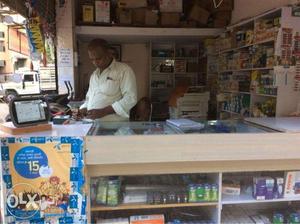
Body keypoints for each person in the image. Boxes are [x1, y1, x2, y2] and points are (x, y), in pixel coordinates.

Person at [78, 38, 137, 121]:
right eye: (92, 59)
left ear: (109, 53)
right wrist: (83, 108)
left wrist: (104, 111)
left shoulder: (124, 70)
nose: (95, 62)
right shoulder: (94, 75)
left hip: (114, 128)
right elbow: (89, 98)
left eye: (98, 58)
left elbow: (130, 98)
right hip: (94, 126)